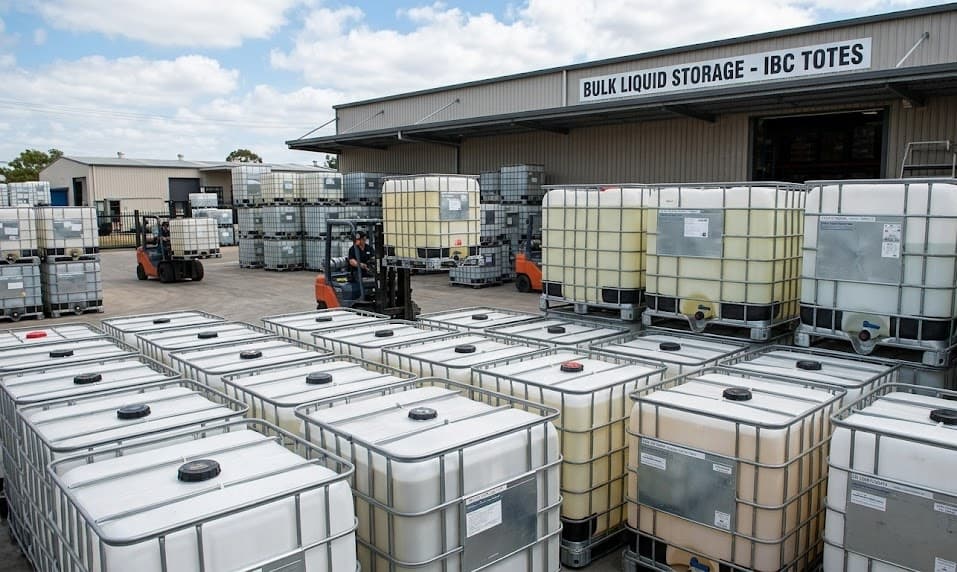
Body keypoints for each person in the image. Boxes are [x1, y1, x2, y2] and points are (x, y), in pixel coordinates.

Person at [347, 230, 375, 300]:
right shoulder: (353, 249)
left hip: (367, 271)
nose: (363, 241)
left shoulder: (369, 248)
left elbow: (373, 257)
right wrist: (360, 265)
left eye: (363, 239)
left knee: (378, 279)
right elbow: (351, 261)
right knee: (364, 281)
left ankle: (372, 296)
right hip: (357, 272)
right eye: (359, 240)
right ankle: (362, 297)